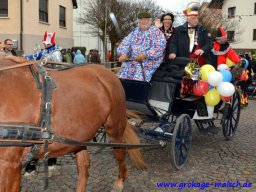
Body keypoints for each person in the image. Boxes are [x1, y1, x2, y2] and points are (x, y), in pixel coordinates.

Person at [24, 31, 60, 176]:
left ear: (51, 42)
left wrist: (45, 61)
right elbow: (33, 57)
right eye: (44, 42)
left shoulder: (56, 52)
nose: (45, 44)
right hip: (42, 82)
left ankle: (52, 159)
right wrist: (21, 59)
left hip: (53, 85)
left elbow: (55, 63)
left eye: (47, 42)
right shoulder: (44, 51)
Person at [117, 11, 166, 82]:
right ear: (138, 21)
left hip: (149, 61)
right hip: (133, 60)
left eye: (146, 19)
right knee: (120, 77)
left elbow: (159, 47)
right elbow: (125, 43)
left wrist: (145, 55)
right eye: (141, 19)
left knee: (138, 79)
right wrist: (123, 53)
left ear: (150, 21)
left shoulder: (156, 32)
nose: (143, 21)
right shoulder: (135, 31)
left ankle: (137, 92)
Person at [168, 2, 213, 67]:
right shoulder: (178, 30)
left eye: (197, 18)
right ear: (188, 19)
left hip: (200, 61)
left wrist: (203, 49)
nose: (196, 20)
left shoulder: (204, 30)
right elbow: (173, 43)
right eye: (193, 18)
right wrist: (172, 52)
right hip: (183, 61)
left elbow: (210, 43)